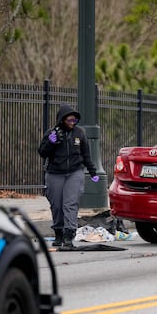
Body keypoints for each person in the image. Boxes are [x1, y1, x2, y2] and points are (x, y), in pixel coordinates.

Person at [38, 104, 99, 250]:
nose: (72, 123)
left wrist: (93, 172)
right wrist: (51, 143)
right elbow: (42, 152)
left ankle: (69, 235)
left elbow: (86, 155)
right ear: (61, 120)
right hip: (54, 173)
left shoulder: (80, 133)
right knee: (57, 205)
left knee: (70, 204)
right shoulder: (51, 133)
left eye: (74, 121)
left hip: (74, 173)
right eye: (69, 120)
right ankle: (58, 233)